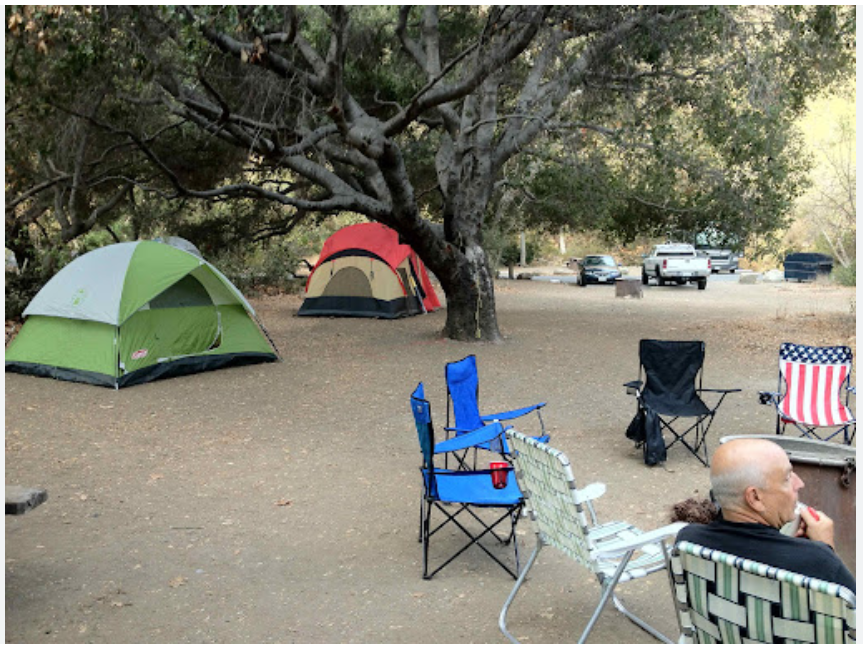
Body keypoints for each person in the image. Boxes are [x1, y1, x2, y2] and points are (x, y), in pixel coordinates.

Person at [676, 437, 855, 591]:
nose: (799, 483)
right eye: (787, 478)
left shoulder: (688, 541)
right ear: (755, 497)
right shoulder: (818, 561)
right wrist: (825, 548)